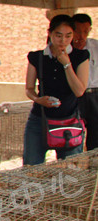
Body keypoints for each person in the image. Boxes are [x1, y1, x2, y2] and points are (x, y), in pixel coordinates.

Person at [23, 14, 89, 165]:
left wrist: (66, 64)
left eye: (68, 36)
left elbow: (79, 91)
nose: (63, 41)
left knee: (70, 171)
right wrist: (38, 99)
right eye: (58, 35)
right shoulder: (36, 57)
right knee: (32, 168)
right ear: (50, 33)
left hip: (69, 120)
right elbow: (29, 88)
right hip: (40, 119)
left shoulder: (80, 56)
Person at [72, 13, 98, 151]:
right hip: (74, 96)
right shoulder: (65, 49)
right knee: (73, 134)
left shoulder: (96, 47)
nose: (81, 36)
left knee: (96, 135)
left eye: (85, 31)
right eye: (77, 31)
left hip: (95, 95)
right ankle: (74, 167)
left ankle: (94, 169)